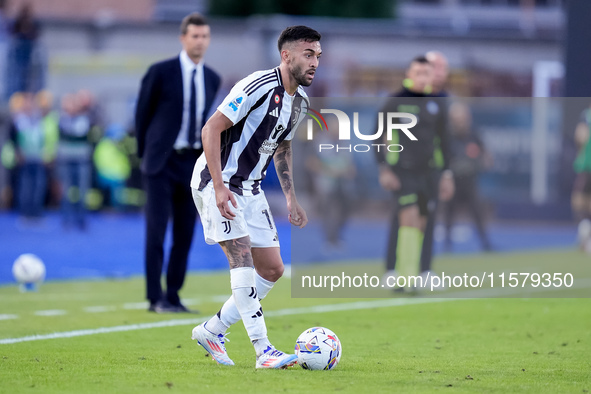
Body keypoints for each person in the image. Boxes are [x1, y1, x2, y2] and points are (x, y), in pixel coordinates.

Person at [190, 25, 321, 368]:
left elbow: (282, 145)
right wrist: (219, 186)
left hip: (251, 189)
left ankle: (212, 330)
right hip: (218, 181)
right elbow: (211, 128)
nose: (315, 62)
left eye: (318, 56)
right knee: (242, 258)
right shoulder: (257, 86)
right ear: (286, 55)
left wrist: (291, 197)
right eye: (308, 55)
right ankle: (264, 350)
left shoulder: (301, 102)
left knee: (273, 269)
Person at [135, 13, 221, 313]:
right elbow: (142, 116)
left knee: (185, 233)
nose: (200, 41)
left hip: (193, 164)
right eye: (195, 36)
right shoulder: (160, 72)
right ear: (183, 38)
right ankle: (154, 297)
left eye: (204, 36)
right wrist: (144, 156)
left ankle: (173, 294)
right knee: (156, 232)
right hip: (160, 162)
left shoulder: (212, 78)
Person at [377, 56, 454, 290]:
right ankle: (402, 274)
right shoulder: (395, 101)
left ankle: (416, 272)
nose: (422, 77)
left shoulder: (437, 104)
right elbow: (378, 136)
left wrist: (447, 174)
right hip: (403, 171)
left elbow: (445, 141)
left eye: (426, 73)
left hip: (430, 173)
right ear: (408, 74)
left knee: (423, 220)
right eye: (418, 72)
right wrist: (384, 168)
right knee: (408, 216)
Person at [443, 102, 492, 252]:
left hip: (470, 180)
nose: (460, 121)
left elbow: (484, 153)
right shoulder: (446, 135)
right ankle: (447, 245)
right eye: (456, 118)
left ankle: (485, 243)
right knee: (449, 212)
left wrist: (485, 160)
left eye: (462, 117)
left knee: (476, 211)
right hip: (452, 179)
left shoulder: (473, 133)